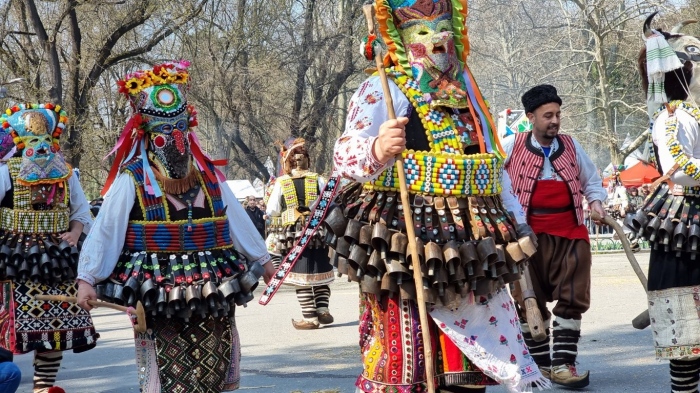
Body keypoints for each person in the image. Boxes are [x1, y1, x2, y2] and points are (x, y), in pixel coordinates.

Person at [324, 0, 549, 391]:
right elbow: (343, 155)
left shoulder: (470, 94)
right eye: (425, 32)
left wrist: (515, 220)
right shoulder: (384, 87)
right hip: (405, 235)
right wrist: (377, 149)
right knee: (409, 354)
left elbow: (493, 166)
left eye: (444, 29)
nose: (439, 40)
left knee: (470, 366)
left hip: (471, 240)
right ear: (403, 39)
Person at [76, 62, 275, 393]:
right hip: (155, 288)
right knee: (170, 371)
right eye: (164, 133)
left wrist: (264, 261)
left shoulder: (210, 177)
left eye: (180, 131)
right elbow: (106, 232)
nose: (174, 141)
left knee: (214, 359)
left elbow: (237, 221)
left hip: (212, 283)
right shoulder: (133, 179)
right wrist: (87, 278)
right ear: (148, 135)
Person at [503, 84, 607, 388]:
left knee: (573, 295)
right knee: (528, 299)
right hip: (526, 236)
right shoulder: (510, 145)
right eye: (548, 115)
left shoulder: (572, 146)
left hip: (570, 231)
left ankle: (563, 364)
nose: (555, 120)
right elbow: (494, 179)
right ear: (531, 117)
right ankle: (539, 366)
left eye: (558, 114)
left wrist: (597, 203)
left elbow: (591, 181)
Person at [626, 14, 700, 393]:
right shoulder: (673, 117)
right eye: (694, 56)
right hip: (685, 227)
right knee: (687, 335)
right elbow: (677, 167)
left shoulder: (692, 114)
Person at [0, 104, 97, 393]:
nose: (41, 148)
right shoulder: (7, 171)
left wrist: (75, 231)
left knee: (55, 325)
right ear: (21, 142)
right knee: (9, 320)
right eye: (33, 141)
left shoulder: (66, 174)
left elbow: (81, 211)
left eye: (47, 142)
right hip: (14, 256)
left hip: (57, 257)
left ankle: (44, 386)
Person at [266, 138, 333, 329]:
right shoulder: (318, 179)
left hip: (292, 233)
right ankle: (323, 309)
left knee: (299, 273)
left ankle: (310, 317)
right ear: (307, 161)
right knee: (320, 270)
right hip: (317, 230)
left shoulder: (281, 182)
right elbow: (330, 201)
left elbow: (272, 210)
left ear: (288, 163)